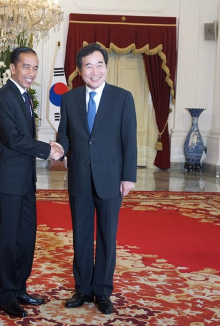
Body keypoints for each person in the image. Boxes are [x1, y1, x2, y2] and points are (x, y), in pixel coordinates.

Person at [56, 43, 137, 314]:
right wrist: (58, 150)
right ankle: (83, 289)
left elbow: (129, 140)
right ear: (80, 71)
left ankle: (102, 291)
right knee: (81, 236)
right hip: (79, 177)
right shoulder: (69, 99)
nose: (95, 71)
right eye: (88, 66)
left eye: (99, 64)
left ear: (106, 67)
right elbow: (64, 135)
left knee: (106, 237)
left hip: (111, 179)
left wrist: (128, 177)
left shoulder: (122, 98)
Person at [0, 47, 64, 318]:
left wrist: (43, 149)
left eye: (35, 68)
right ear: (13, 69)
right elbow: (14, 139)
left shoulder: (25, 96)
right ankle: (5, 296)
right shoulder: (4, 97)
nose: (31, 73)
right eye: (26, 67)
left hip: (26, 181)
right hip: (8, 181)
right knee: (8, 240)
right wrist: (48, 149)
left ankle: (19, 288)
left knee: (26, 238)